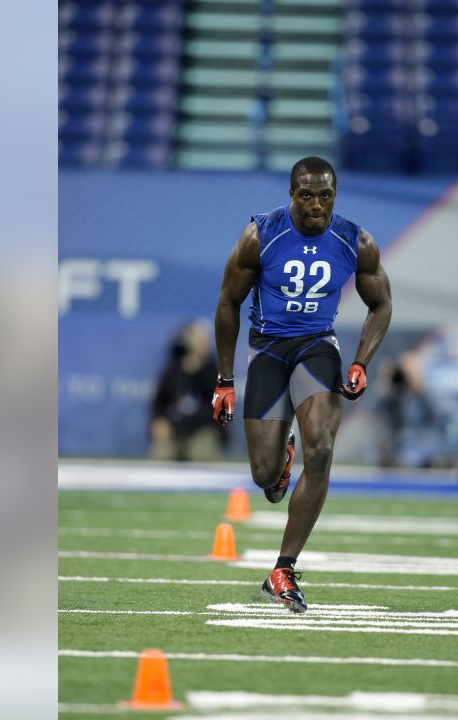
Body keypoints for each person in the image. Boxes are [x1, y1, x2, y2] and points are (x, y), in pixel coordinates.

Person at [210, 156, 392, 614]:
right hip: (269, 348)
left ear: (336, 195)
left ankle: (283, 569)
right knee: (265, 477)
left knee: (323, 447)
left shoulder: (355, 241)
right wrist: (225, 380)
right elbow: (228, 302)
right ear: (291, 194)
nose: (316, 205)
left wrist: (361, 362)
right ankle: (281, 459)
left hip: (317, 346)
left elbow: (381, 304)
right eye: (306, 195)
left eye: (325, 195)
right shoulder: (261, 235)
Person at [149, 321, 225, 462]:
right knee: (161, 456)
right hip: (173, 430)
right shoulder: (173, 370)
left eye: (204, 339)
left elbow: (221, 410)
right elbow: (159, 402)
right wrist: (159, 421)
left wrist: (197, 370)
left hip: (203, 430)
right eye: (197, 338)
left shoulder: (215, 372)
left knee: (203, 456)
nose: (202, 343)